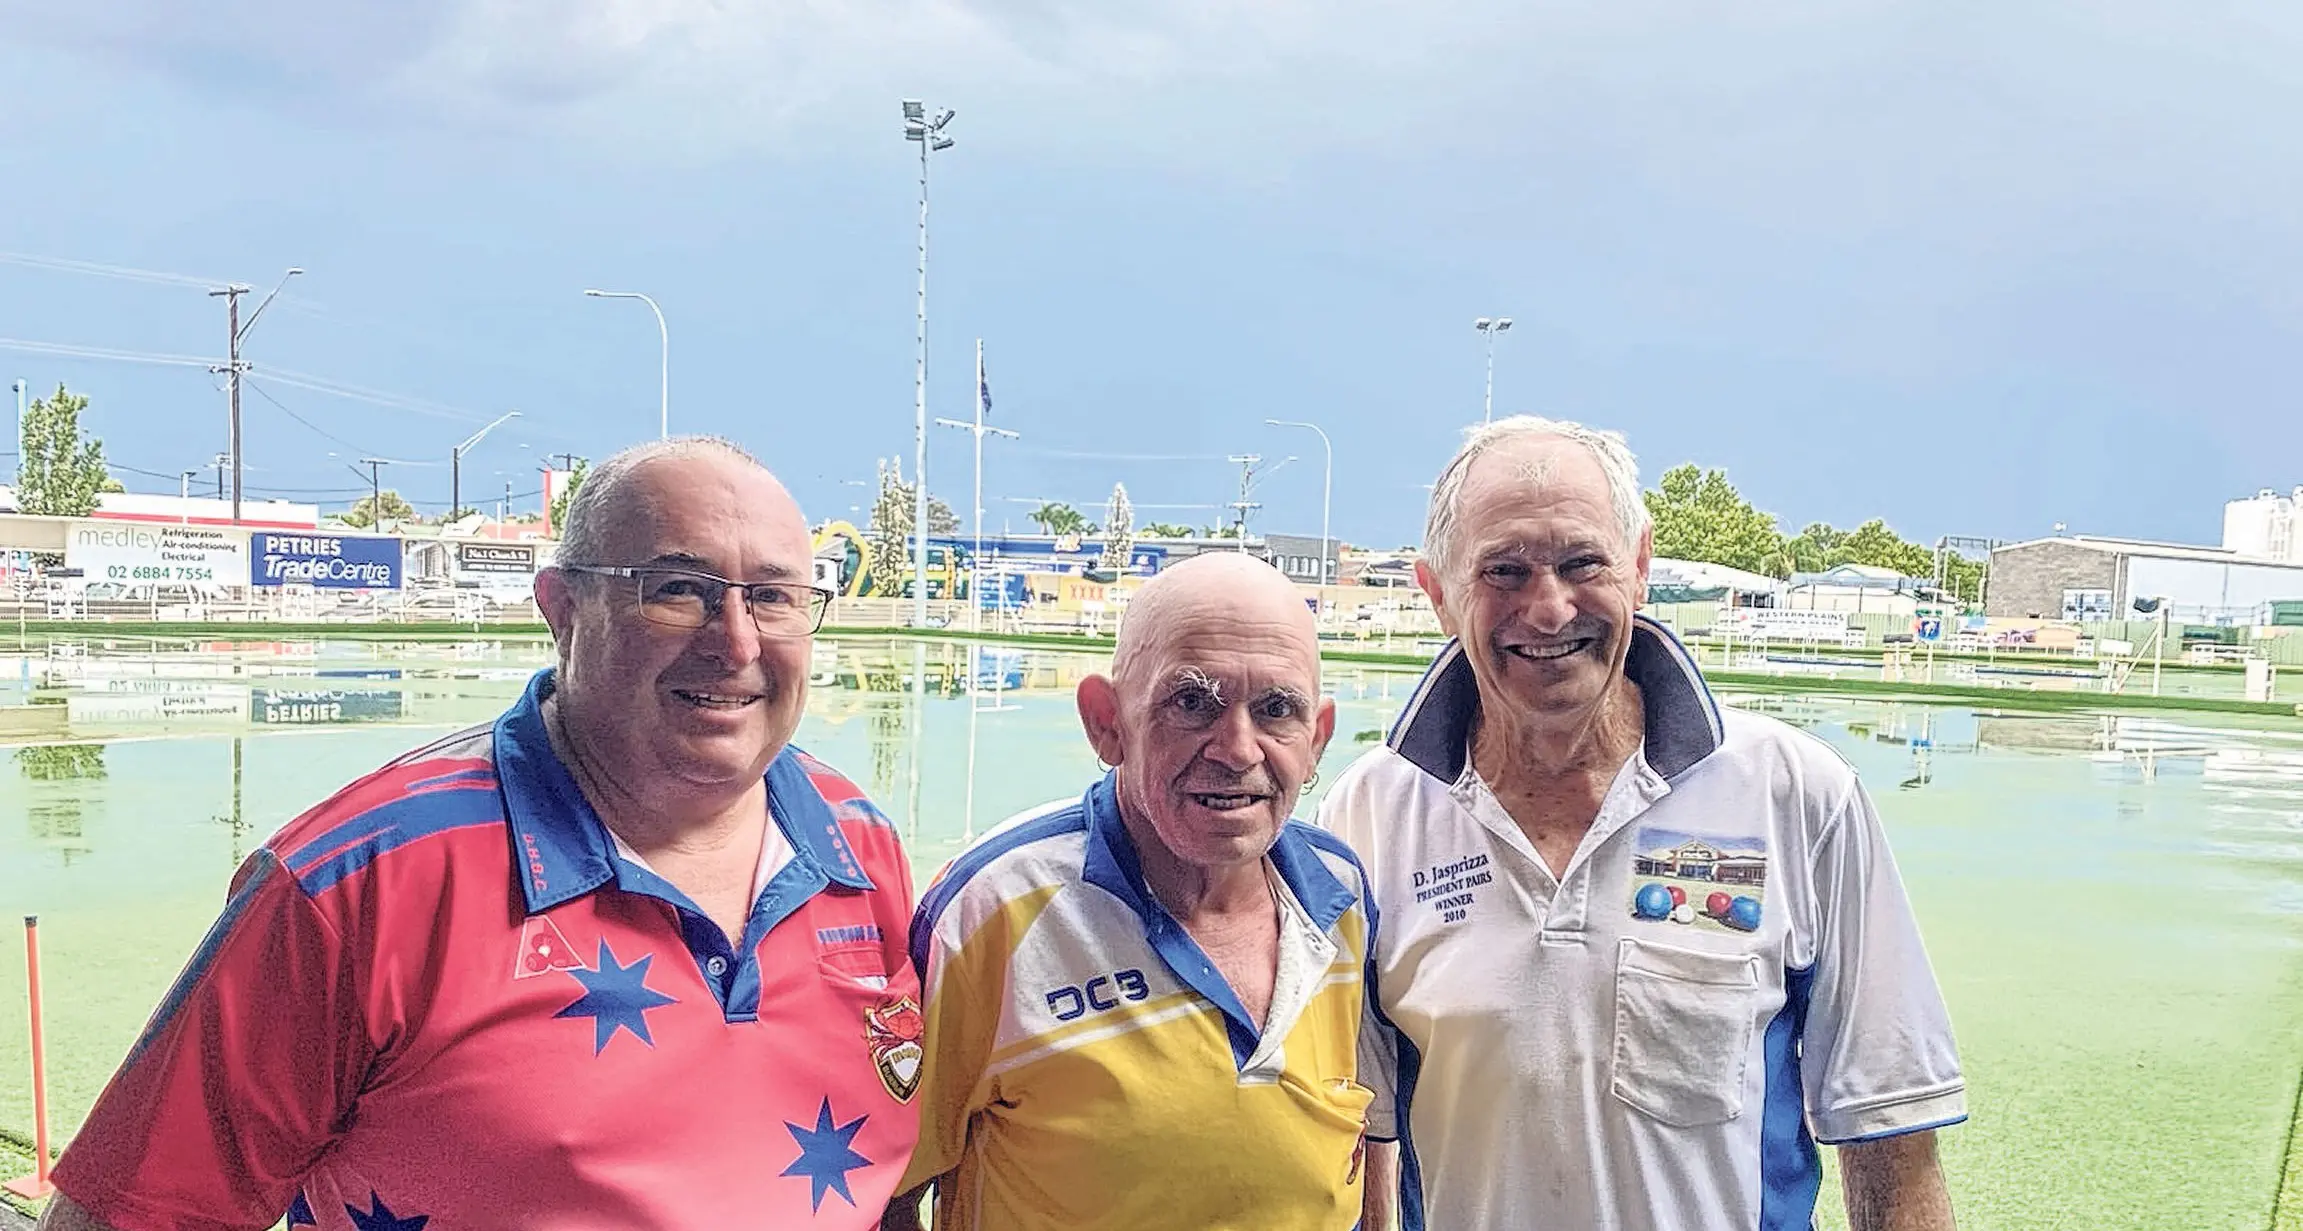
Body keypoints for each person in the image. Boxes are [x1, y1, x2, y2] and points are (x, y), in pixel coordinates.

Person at [42, 438, 923, 1231]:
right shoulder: (358, 881)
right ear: (561, 606)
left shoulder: (859, 847)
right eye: (677, 590)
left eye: (773, 596)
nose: (734, 641)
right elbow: (133, 1213)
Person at [1323, 416, 1964, 1231]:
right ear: (1437, 594)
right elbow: (1364, 1132)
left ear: (1638, 565)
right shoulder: (1369, 811)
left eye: (1581, 561)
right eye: (1504, 571)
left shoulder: (1795, 793)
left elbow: (1890, 1136)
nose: (1548, 608)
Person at [884, 553, 1375, 1231]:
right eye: (1192, 702)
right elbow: (884, 1187)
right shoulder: (993, 910)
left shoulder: (1343, 896)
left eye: (1274, 708)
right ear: (1106, 721)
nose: (1237, 749)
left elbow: (1366, 1139)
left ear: (1315, 737)